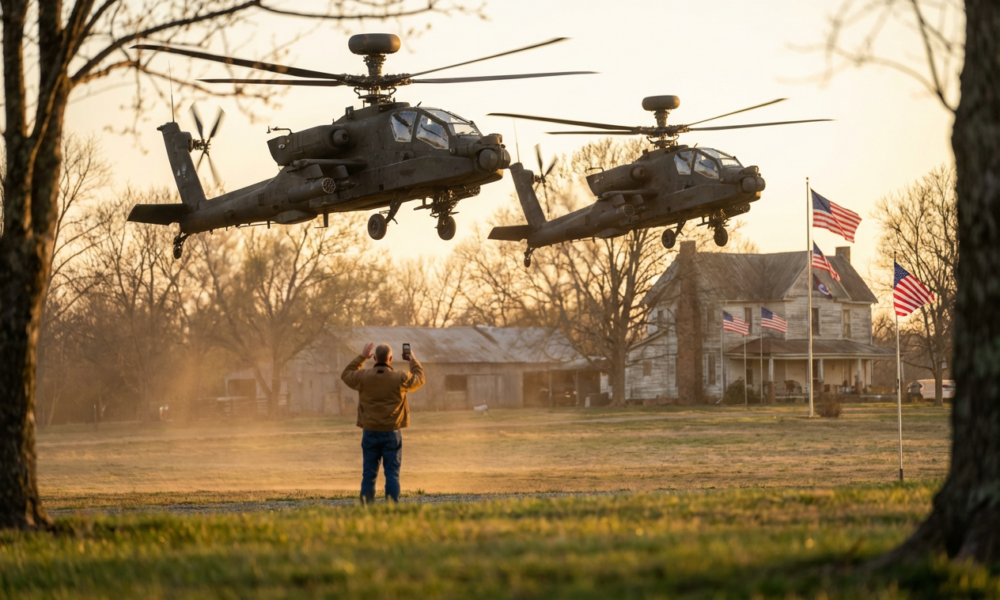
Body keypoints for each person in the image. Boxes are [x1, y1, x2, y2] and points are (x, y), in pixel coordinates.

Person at [341, 342, 425, 504]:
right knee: (392, 473)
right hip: (392, 432)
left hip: (370, 432)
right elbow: (420, 378)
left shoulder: (363, 377)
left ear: (373, 357)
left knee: (369, 474)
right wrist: (412, 359)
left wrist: (361, 357)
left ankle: (366, 507)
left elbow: (346, 374)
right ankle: (391, 507)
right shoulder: (400, 377)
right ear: (391, 359)